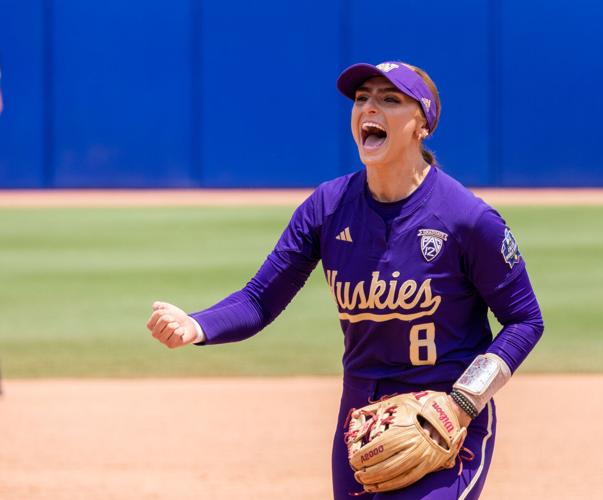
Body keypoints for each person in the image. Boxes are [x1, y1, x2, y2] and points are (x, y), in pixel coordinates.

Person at [147, 61, 544, 499]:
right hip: (359, 419)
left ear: (422, 124)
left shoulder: (467, 219)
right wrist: (198, 325)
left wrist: (463, 401)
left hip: (443, 418)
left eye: (389, 99)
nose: (369, 108)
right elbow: (260, 299)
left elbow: (525, 320)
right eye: (362, 99)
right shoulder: (328, 207)